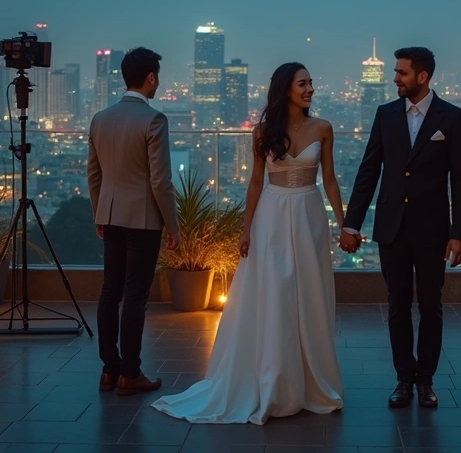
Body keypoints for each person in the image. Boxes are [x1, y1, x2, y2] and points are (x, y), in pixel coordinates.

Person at [152, 62, 345, 424]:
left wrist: (343, 223)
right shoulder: (261, 133)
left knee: (310, 294)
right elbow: (255, 183)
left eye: (311, 84)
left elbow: (330, 180)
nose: (310, 90)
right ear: (285, 88)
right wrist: (245, 229)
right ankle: (275, 380)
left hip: (309, 214)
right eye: (303, 84)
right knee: (276, 293)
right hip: (271, 216)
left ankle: (310, 381)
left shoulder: (323, 128)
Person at [343, 46, 461, 409]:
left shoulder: (453, 117)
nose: (395, 78)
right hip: (391, 227)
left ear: (422, 77)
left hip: (433, 229)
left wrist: (459, 232)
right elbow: (369, 171)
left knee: (431, 306)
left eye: (400, 72)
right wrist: (352, 224)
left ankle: (426, 380)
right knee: (397, 305)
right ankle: (404, 378)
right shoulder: (385, 115)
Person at [87, 47, 180, 396]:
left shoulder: (101, 118)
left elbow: (93, 173)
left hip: (110, 215)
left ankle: (109, 369)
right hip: (143, 219)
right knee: (135, 294)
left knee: (110, 290)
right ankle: (131, 372)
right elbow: (160, 181)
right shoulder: (154, 120)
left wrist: (100, 211)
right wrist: (172, 225)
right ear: (151, 77)